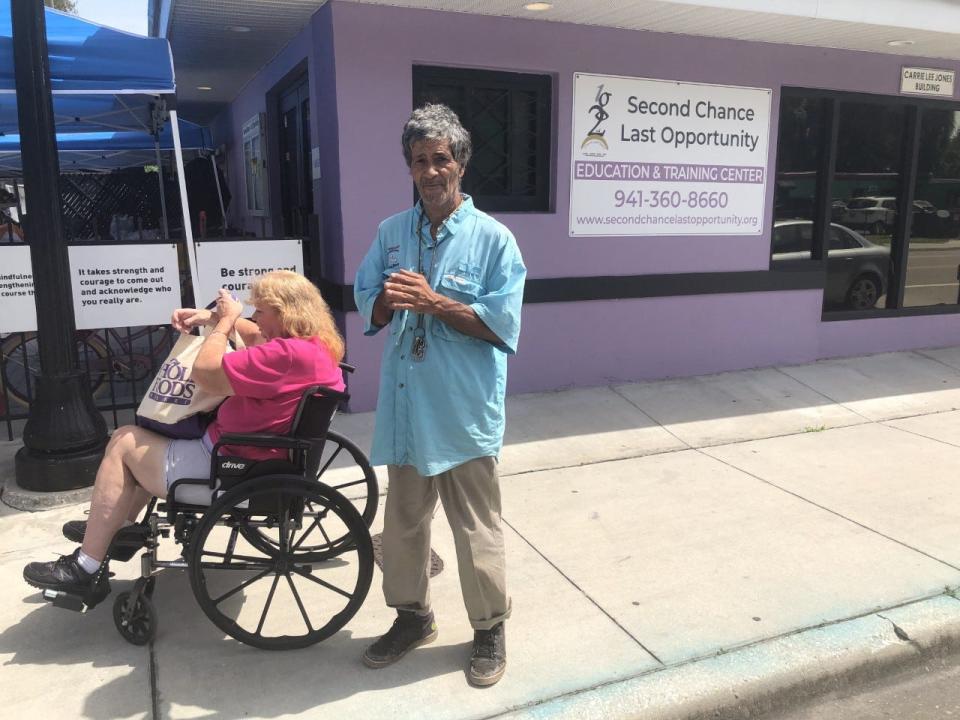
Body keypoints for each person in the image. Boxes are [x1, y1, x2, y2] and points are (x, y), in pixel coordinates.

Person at [22, 270, 345, 602]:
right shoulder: (312, 348)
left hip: (229, 467)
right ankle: (115, 531)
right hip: (253, 458)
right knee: (141, 438)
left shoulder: (285, 355)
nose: (255, 318)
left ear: (284, 312)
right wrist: (213, 315)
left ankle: (85, 567)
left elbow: (206, 373)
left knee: (123, 443)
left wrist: (221, 326)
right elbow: (255, 336)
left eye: (261, 311)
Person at [354, 103, 526, 687]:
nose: (430, 171)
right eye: (420, 160)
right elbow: (366, 300)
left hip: (462, 412)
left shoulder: (495, 240)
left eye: (441, 159)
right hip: (406, 407)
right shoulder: (390, 233)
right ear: (409, 167)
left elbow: (502, 325)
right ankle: (412, 617)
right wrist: (387, 302)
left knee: (476, 526)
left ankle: (489, 628)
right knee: (402, 524)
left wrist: (437, 304)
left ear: (461, 164)